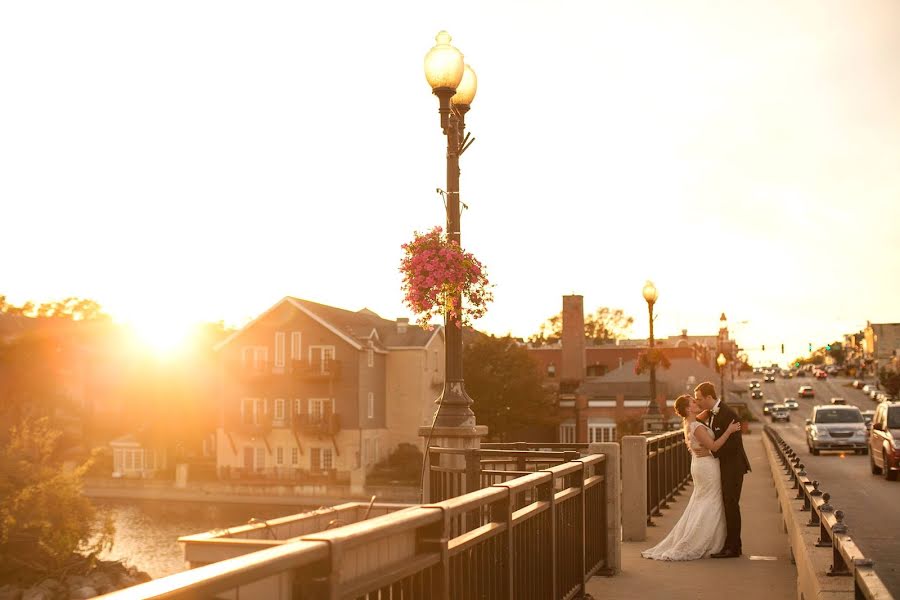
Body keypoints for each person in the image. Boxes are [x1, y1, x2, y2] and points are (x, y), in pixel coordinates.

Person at [642, 394, 741, 561]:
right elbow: (715, 446)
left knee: (702, 500)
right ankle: (702, 540)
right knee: (711, 501)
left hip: (699, 465)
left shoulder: (689, 422)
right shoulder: (697, 427)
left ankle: (710, 538)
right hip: (707, 466)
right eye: (693, 402)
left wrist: (710, 406)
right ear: (688, 408)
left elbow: (706, 413)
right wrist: (729, 431)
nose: (697, 403)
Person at [694, 380, 752, 558]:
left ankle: (732, 548)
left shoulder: (729, 414)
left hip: (733, 467)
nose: (697, 402)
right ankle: (735, 545)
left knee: (731, 505)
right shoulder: (712, 413)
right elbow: (694, 422)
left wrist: (711, 451)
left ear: (709, 397)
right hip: (725, 466)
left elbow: (734, 446)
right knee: (728, 504)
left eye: (699, 399)